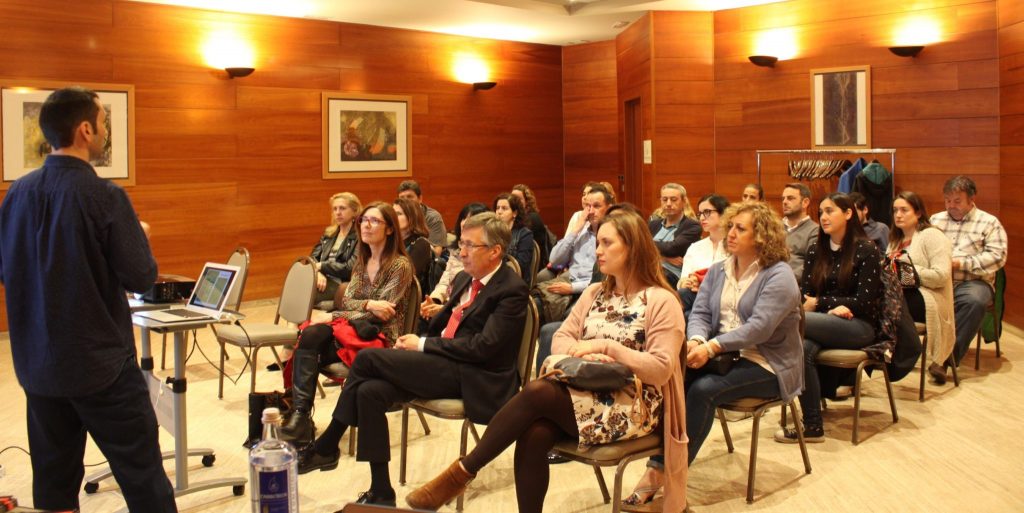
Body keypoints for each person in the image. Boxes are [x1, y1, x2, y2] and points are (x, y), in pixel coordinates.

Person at [405, 208, 686, 513]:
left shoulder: (661, 300)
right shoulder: (595, 293)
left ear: (632, 248)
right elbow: (560, 340)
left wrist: (607, 348)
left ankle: (462, 472)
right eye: (598, 243)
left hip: (634, 405)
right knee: (534, 433)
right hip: (586, 392)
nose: (598, 251)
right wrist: (585, 351)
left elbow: (660, 370)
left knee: (538, 392)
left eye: (607, 243)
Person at [0, 87, 176, 512]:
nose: (104, 131)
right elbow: (141, 275)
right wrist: (141, 237)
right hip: (101, 367)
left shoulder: (16, 195)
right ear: (85, 130)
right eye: (103, 123)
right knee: (142, 476)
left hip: (37, 366)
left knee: (54, 482)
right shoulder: (105, 196)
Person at [298, 212, 529, 508]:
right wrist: (419, 340)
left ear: (495, 251)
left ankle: (328, 444)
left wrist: (422, 345)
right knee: (370, 392)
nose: (461, 252)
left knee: (368, 359)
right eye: (462, 243)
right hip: (443, 363)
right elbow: (448, 326)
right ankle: (381, 490)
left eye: (471, 245)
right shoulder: (463, 278)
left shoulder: (511, 290)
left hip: (475, 376)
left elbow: (484, 348)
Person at [681, 201, 802, 473]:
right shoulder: (718, 270)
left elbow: (759, 328)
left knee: (703, 390)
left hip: (769, 363)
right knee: (672, 377)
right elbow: (699, 313)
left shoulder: (779, 275)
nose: (731, 234)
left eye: (741, 229)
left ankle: (669, 472)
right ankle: (658, 461)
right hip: (724, 355)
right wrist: (697, 341)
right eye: (731, 227)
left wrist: (711, 347)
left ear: (761, 236)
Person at [280, 202, 414, 446]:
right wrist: (367, 305)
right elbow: (350, 300)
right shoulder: (362, 261)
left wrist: (340, 313)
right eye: (363, 220)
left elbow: (383, 314)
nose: (366, 225)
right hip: (355, 331)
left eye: (374, 221)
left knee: (319, 330)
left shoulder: (400, 265)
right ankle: (300, 417)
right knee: (311, 334)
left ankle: (303, 419)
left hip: (382, 338)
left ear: (390, 229)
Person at [777, 193, 882, 443]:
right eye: (821, 212)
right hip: (821, 323)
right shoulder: (817, 249)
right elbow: (806, 291)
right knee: (801, 349)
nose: (823, 217)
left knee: (788, 321)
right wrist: (821, 305)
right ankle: (813, 426)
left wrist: (825, 303)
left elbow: (866, 301)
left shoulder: (866, 249)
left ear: (848, 214)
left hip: (858, 326)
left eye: (830, 211)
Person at [929, 176, 1007, 365]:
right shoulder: (935, 220)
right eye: (947, 200)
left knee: (973, 301)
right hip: (939, 281)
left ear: (972, 199)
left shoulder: (989, 222)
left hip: (974, 281)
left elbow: (998, 257)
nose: (951, 205)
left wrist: (959, 264)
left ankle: (946, 360)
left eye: (957, 201)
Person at [888, 191, 955, 384]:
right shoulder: (895, 240)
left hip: (929, 299)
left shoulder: (931, 236)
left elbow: (942, 276)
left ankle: (904, 351)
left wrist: (907, 272)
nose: (898, 215)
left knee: (884, 302)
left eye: (904, 210)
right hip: (901, 296)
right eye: (895, 210)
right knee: (879, 300)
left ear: (918, 213)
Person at [534, 185, 613, 323]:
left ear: (609, 208)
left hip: (591, 289)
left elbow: (604, 280)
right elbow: (555, 260)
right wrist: (577, 228)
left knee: (569, 317)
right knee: (532, 304)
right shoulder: (580, 229)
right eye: (588, 206)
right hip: (570, 280)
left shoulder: (610, 237)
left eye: (596, 206)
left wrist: (572, 288)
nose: (591, 211)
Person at [421, 202, 489, 319]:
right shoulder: (456, 250)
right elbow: (445, 281)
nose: (464, 223)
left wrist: (445, 309)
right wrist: (434, 300)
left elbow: (474, 300)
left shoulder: (483, 257)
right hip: (447, 304)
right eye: (463, 218)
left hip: (464, 313)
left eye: (471, 219)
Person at [676, 194, 730, 318]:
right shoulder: (695, 247)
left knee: (688, 311)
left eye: (707, 212)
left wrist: (701, 283)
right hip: (694, 297)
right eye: (700, 213)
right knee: (686, 304)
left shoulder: (734, 246)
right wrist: (687, 282)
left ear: (724, 214)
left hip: (723, 299)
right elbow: (682, 280)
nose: (701, 218)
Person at [311, 192, 361, 304]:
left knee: (305, 291)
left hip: (343, 285)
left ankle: (294, 322)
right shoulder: (329, 234)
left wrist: (323, 266)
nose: (338, 213)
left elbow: (351, 268)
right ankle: (294, 322)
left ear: (354, 211)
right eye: (335, 209)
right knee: (298, 284)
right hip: (322, 280)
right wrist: (318, 273)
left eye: (342, 208)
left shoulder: (360, 236)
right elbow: (313, 258)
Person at [649, 183, 702, 285]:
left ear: (684, 201)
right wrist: (665, 258)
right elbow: (638, 248)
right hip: (649, 268)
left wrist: (647, 243)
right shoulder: (653, 224)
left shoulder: (692, 226)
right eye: (665, 199)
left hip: (672, 275)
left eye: (673, 199)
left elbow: (672, 248)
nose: (668, 203)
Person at [397, 179, 447, 253]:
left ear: (420, 199)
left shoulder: (433, 217)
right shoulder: (396, 216)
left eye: (409, 197)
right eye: (402, 198)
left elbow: (437, 251)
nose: (405, 201)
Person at [394, 197, 433, 290]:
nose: (393, 217)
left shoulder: (421, 244)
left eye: (398, 214)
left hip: (409, 297)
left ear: (411, 217)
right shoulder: (390, 241)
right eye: (392, 214)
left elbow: (405, 278)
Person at [781, 182, 818, 277]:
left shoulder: (815, 231)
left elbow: (811, 265)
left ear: (805, 202)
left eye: (790, 198)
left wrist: (782, 279)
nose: (784, 202)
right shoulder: (774, 227)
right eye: (783, 198)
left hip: (795, 285)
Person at [494, 192, 536, 277]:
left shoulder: (524, 234)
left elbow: (521, 264)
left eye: (504, 208)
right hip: (494, 275)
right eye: (497, 208)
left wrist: (495, 269)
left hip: (514, 279)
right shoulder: (492, 232)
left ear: (514, 213)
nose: (499, 212)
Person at [512, 183, 552, 269]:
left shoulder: (533, 218)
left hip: (535, 264)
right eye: (513, 198)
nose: (515, 202)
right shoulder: (516, 218)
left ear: (527, 202)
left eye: (518, 199)